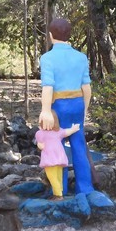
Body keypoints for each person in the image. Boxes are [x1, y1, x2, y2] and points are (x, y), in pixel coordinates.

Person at [38, 17, 95, 195]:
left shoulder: (47, 58)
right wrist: (84, 109)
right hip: (77, 104)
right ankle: (85, 188)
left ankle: (59, 190)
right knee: (79, 145)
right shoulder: (81, 57)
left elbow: (48, 86)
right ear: (69, 35)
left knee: (56, 145)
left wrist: (45, 110)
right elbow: (87, 88)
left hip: (58, 107)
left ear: (50, 35)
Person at [35, 110, 80, 200]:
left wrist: (39, 145)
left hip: (49, 159)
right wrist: (74, 129)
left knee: (52, 178)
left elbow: (40, 145)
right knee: (58, 177)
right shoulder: (58, 132)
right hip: (59, 159)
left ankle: (58, 195)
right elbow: (67, 132)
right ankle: (60, 192)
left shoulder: (40, 133)